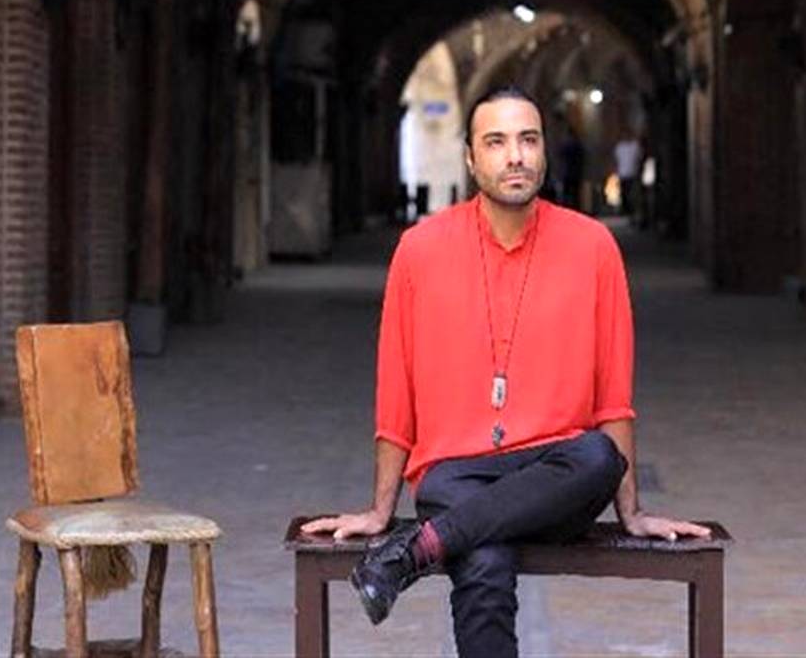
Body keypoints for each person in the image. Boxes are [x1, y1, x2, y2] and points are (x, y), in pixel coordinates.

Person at [302, 87, 709, 658]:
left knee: (598, 455)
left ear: (544, 150)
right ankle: (432, 540)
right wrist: (379, 509)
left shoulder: (593, 247)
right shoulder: (419, 249)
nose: (515, 156)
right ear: (471, 159)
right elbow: (396, 392)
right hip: (454, 474)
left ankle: (416, 550)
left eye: (528, 140)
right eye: (496, 142)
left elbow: (613, 398)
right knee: (484, 564)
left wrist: (632, 513)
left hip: (557, 474)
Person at [613, 128, 643, 221]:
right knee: (624, 193)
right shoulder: (620, 147)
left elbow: (639, 158)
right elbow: (616, 161)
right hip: (623, 173)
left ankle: (631, 212)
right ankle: (626, 211)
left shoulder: (634, 146)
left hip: (632, 173)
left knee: (632, 194)